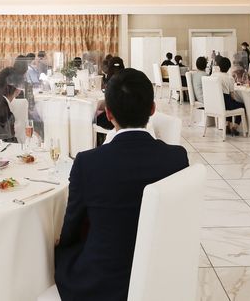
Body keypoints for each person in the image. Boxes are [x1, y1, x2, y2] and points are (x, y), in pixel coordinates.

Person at [55, 68, 189, 301]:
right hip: (159, 276)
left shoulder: (88, 163)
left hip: (101, 283)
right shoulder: (177, 158)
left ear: (108, 114)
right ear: (152, 109)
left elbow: (72, 227)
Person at [213, 56, 246, 136]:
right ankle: (234, 127)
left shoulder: (213, 75)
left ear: (219, 66)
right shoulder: (229, 78)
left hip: (214, 103)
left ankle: (228, 125)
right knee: (241, 105)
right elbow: (232, 96)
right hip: (225, 103)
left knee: (230, 103)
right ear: (229, 67)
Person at [96, 56, 125, 130]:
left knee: (94, 119)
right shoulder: (127, 80)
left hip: (113, 119)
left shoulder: (110, 81)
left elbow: (109, 102)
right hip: (126, 116)